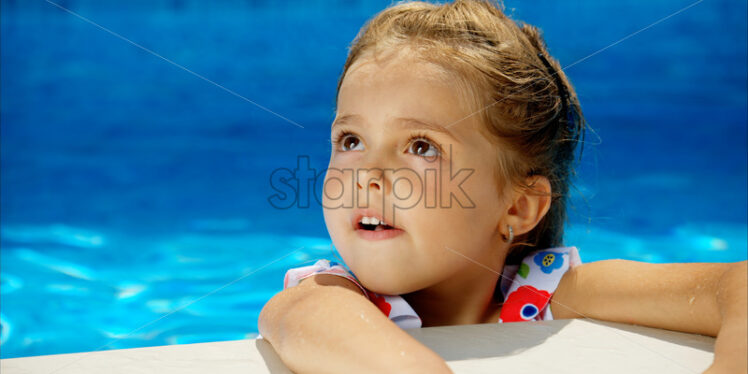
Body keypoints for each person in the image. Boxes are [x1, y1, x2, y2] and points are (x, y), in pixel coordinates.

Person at [258, 1, 747, 373]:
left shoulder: (544, 293)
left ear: (518, 207)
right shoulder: (329, 296)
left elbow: (736, 284)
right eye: (350, 139)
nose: (368, 173)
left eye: (421, 147)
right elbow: (300, 317)